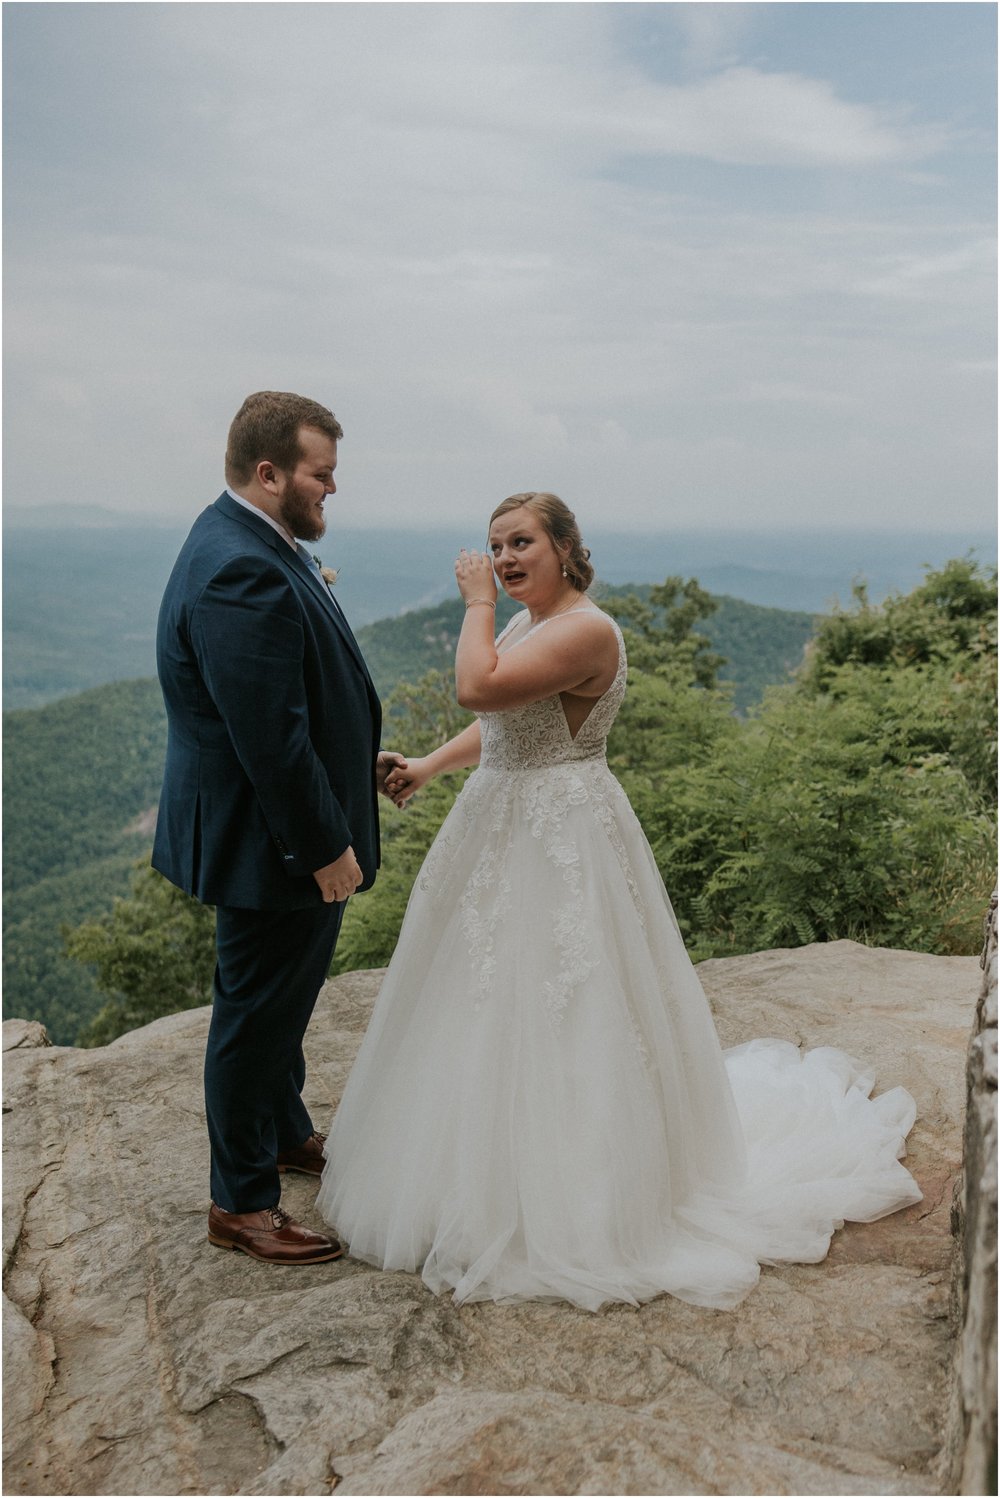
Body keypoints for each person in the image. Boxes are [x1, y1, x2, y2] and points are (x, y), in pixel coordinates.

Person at [315, 491, 922, 1311]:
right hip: (503, 818)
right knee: (481, 998)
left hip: (561, 831)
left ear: (566, 547)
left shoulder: (588, 630)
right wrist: (428, 765)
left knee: (571, 1002)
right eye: (495, 547)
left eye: (521, 542)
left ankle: (580, 1194)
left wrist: (478, 604)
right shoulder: (539, 626)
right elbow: (505, 723)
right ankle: (472, 1167)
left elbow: (479, 687)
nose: (503, 558)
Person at [153, 391, 403, 1265]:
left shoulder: (253, 542)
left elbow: (292, 694)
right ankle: (242, 1201)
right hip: (272, 843)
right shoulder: (239, 566)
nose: (331, 492)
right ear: (269, 473)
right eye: (320, 476)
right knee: (256, 1016)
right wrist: (324, 848)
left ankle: (287, 1129)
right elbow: (268, 734)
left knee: (285, 998)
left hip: (279, 825)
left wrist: (358, 757)